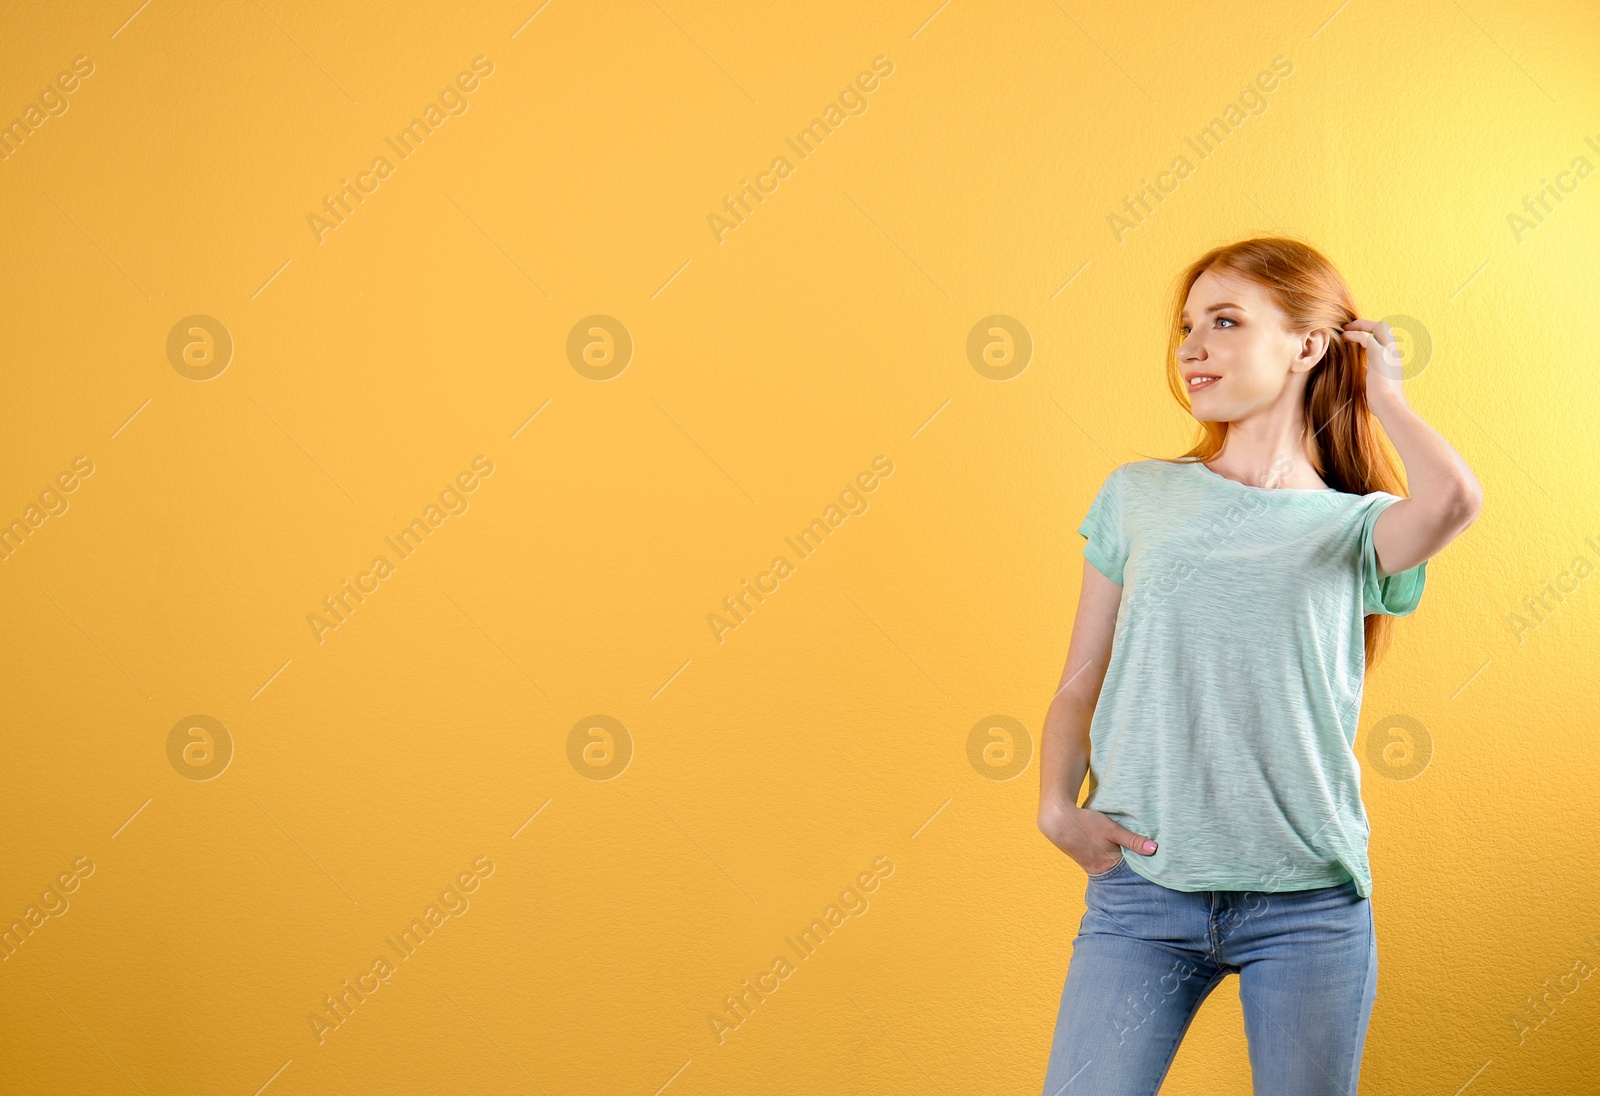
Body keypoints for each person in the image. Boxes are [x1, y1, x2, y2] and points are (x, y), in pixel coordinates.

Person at [1036, 236, 1482, 1095]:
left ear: (1308, 347)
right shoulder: (1138, 494)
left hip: (1308, 903)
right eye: (1188, 326)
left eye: (1227, 321)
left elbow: (1457, 501)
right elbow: (1078, 681)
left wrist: (1382, 390)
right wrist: (1058, 809)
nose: (1192, 346)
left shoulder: (1360, 527)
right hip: (1144, 895)